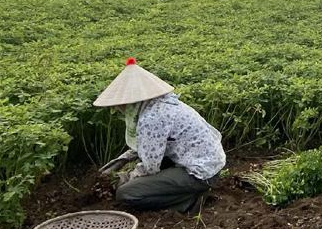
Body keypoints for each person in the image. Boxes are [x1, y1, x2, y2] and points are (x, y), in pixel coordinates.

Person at [95, 58, 226, 213]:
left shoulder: (152, 118)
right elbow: (150, 145)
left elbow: (150, 167)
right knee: (145, 176)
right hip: (209, 162)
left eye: (119, 105)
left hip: (201, 172)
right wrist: (122, 160)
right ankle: (186, 191)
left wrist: (129, 177)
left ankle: (190, 201)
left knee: (126, 193)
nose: (118, 109)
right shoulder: (162, 103)